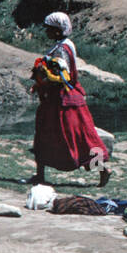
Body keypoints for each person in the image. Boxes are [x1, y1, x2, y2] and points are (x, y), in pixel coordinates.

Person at [29, 12, 110, 187]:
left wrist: (43, 80)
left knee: (50, 134)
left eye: (49, 29)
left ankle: (102, 170)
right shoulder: (66, 45)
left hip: (61, 101)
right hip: (68, 98)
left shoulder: (60, 50)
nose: (46, 32)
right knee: (82, 137)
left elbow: (61, 76)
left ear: (58, 31)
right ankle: (40, 175)